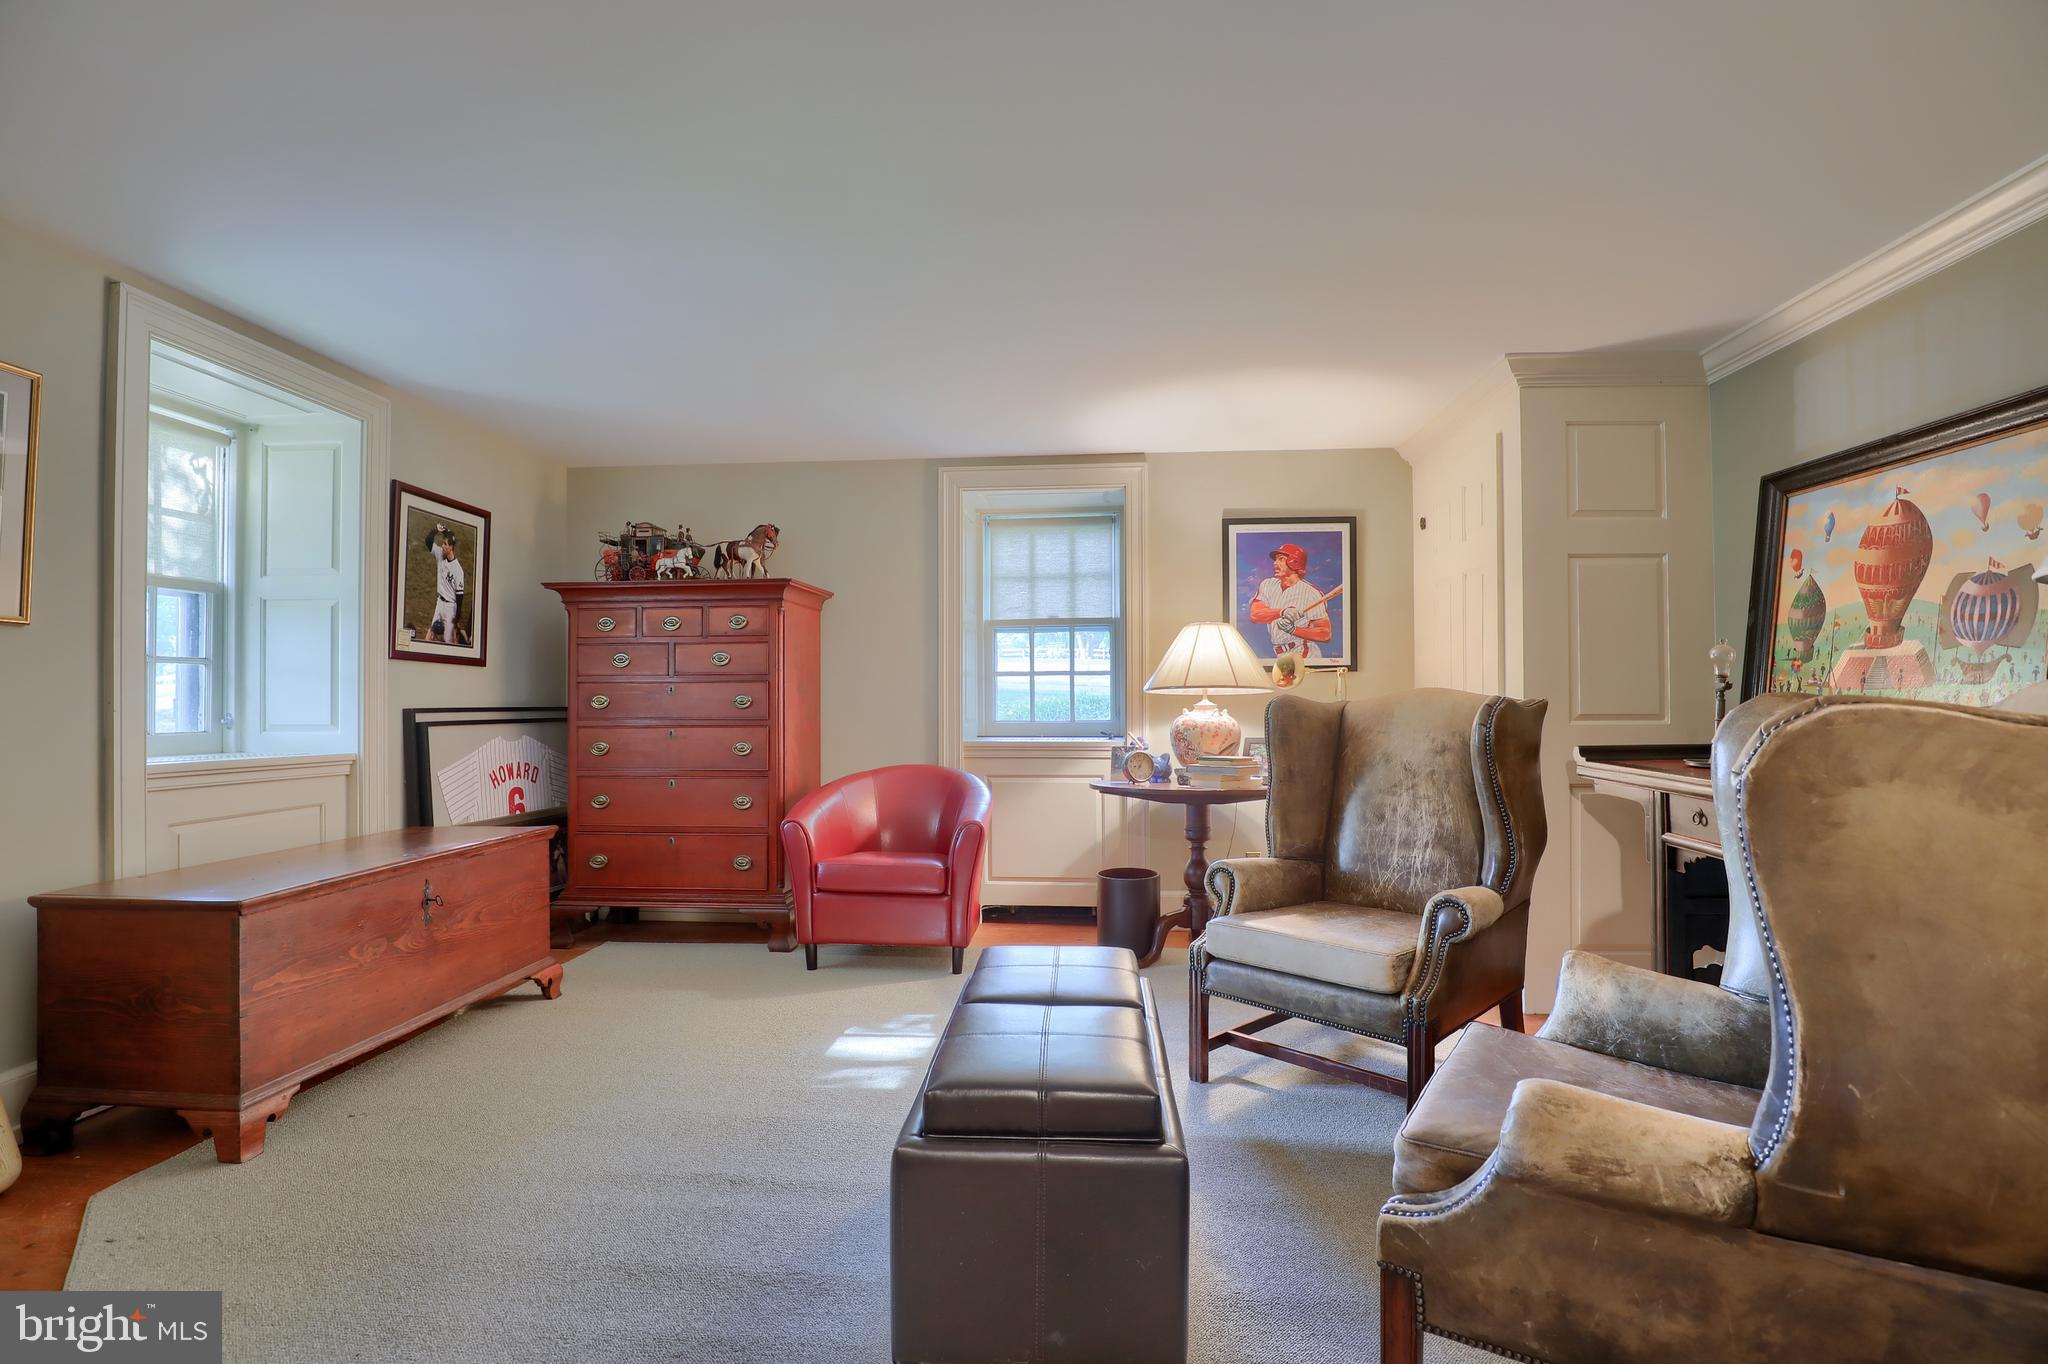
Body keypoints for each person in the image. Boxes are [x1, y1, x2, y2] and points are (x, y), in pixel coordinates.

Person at [1246, 542, 1331, 660]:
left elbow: (1325, 633)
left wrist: (1293, 630)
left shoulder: (1311, 593)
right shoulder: (1268, 584)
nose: (1275, 563)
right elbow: (1255, 615)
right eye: (1275, 560)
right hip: (1280, 654)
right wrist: (1283, 612)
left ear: (1295, 562)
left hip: (1303, 653)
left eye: (1281, 559)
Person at [428, 527, 468, 647]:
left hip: (450, 608)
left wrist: (457, 617)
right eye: (443, 543)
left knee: (448, 642)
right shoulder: (440, 554)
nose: (443, 546)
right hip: (439, 602)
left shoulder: (458, 570)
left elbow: (460, 595)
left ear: (451, 547)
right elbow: (428, 541)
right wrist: (436, 530)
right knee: (429, 637)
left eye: (445, 544)